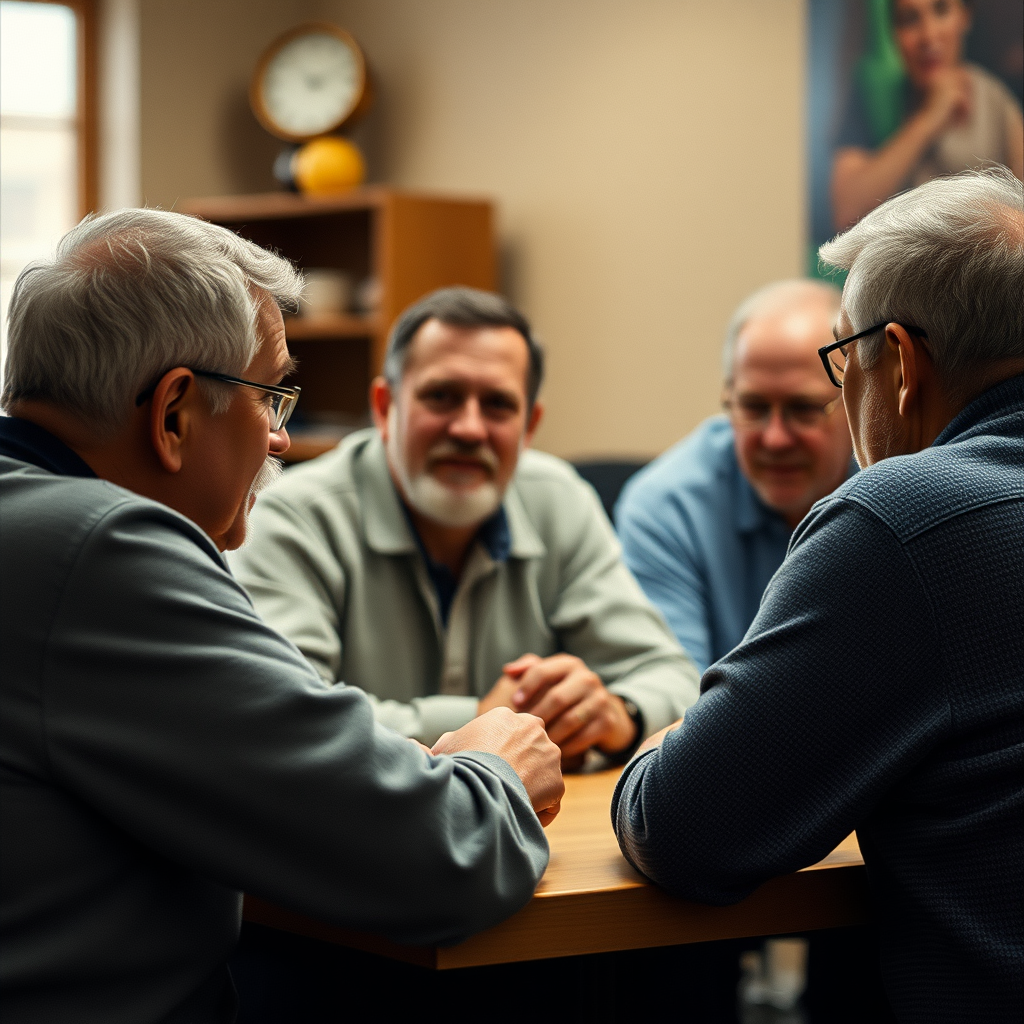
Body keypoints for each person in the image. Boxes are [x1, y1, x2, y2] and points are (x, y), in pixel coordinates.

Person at [0, 210, 564, 1024]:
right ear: (174, 413)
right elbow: (437, 856)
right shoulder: (105, 550)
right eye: (272, 396)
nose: (280, 441)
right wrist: (494, 769)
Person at [613, 166, 1024, 1023]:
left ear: (901, 362)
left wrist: (670, 747)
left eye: (843, 359)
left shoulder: (905, 521)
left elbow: (683, 829)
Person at [231, 287, 700, 766]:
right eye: (442, 397)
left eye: (498, 404)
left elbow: (674, 677)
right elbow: (283, 716)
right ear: (385, 406)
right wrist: (481, 718)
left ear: (529, 425)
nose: (469, 429)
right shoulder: (292, 515)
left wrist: (616, 715)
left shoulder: (561, 501)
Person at [616, 280, 853, 673]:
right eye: (753, 407)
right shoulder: (667, 508)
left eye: (804, 409)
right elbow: (675, 694)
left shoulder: (902, 490)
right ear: (729, 396)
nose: (775, 438)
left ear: (857, 399)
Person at [832, 0, 1023, 231]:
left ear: (964, 16)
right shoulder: (875, 99)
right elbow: (847, 213)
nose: (929, 37)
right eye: (910, 19)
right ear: (893, 32)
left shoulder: (998, 103)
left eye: (941, 10)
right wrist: (929, 119)